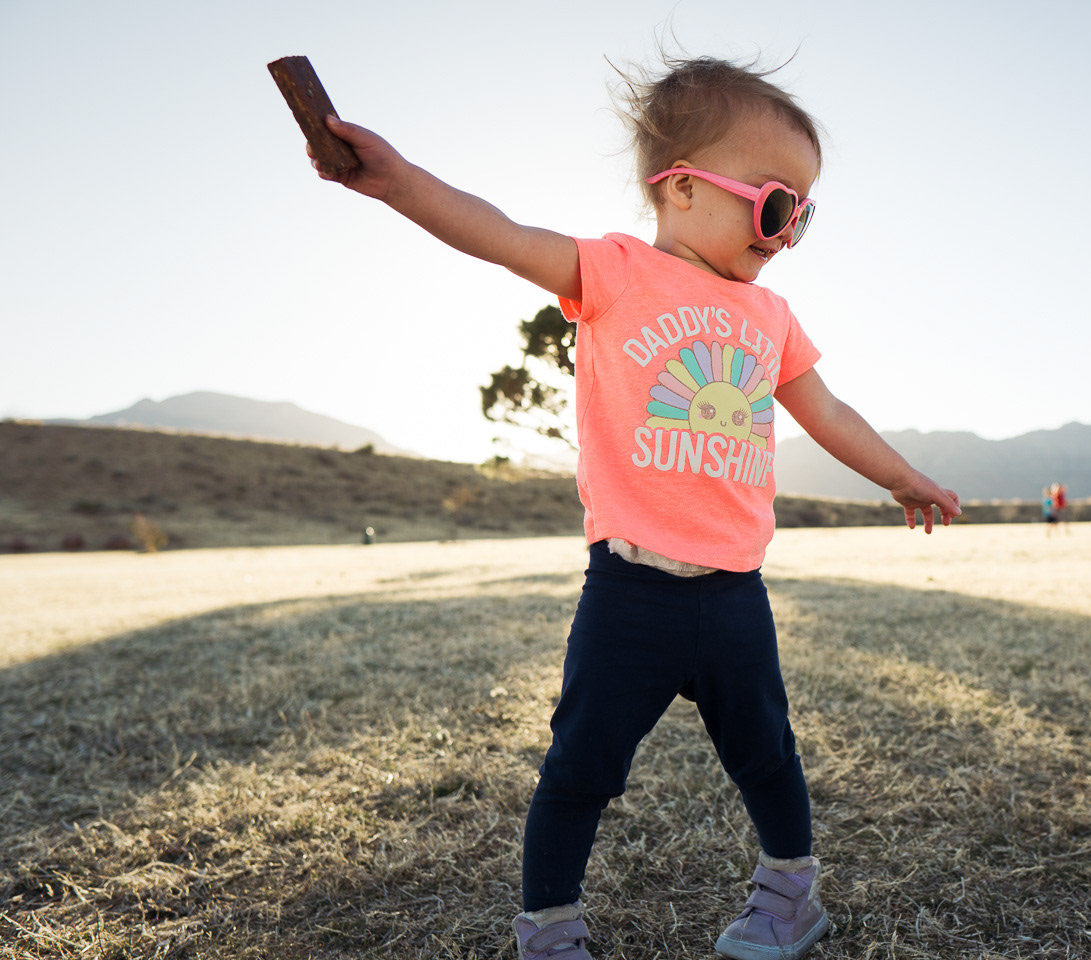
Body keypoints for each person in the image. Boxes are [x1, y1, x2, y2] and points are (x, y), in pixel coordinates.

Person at [309, 55, 961, 960]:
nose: (785, 233)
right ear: (684, 187)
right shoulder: (613, 271)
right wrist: (401, 183)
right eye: (776, 205)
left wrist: (901, 476)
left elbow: (829, 412)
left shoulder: (771, 316)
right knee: (580, 766)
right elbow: (499, 234)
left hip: (735, 595)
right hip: (629, 593)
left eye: (802, 216)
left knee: (768, 754)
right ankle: (549, 930)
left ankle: (791, 897)